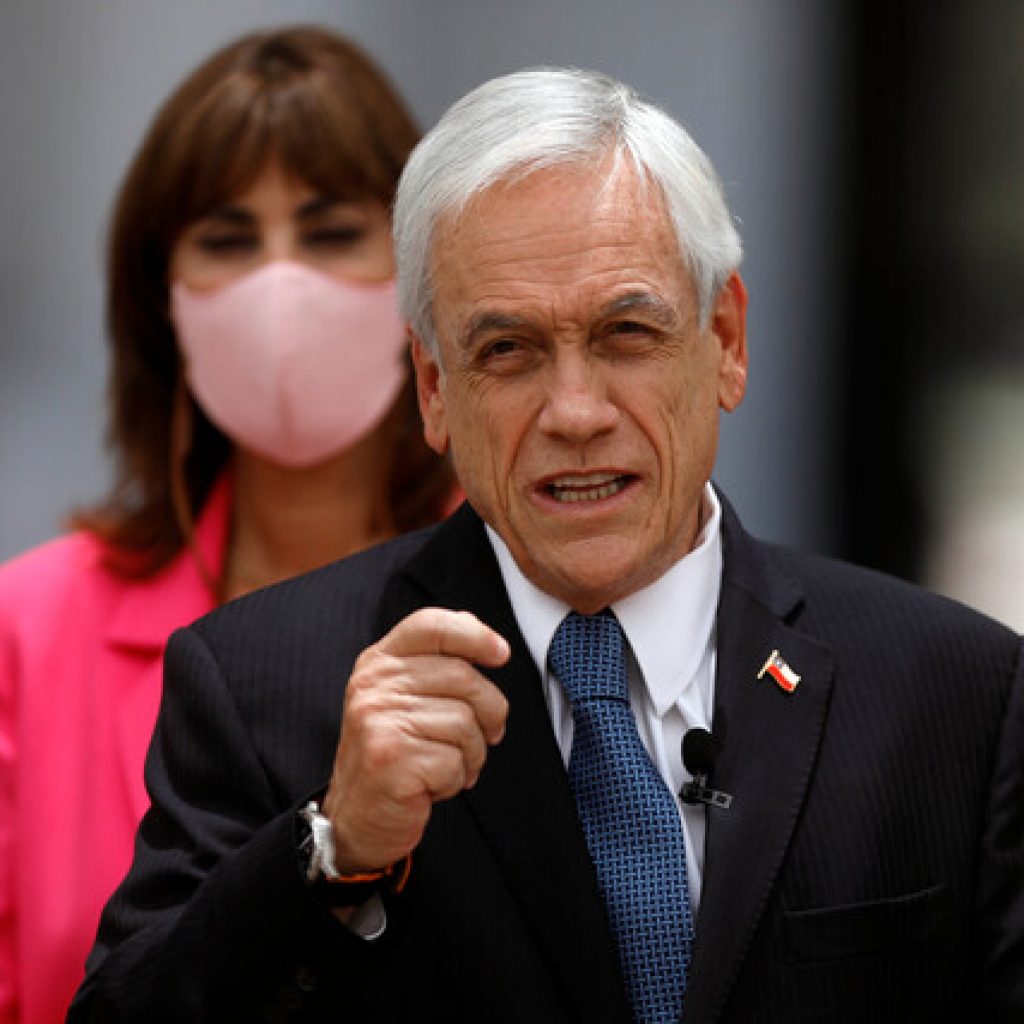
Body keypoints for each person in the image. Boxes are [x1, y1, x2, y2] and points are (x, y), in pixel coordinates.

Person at [69, 68, 1023, 1023]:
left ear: (726, 342)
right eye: (508, 351)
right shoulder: (260, 691)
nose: (574, 413)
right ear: (435, 391)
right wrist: (334, 850)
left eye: (626, 334)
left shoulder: (956, 696)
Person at [0, 26, 457, 1024]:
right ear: (160, 299)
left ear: (423, 281)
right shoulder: (28, 631)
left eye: (330, 233)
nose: (278, 288)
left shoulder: (532, 591)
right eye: (228, 240)